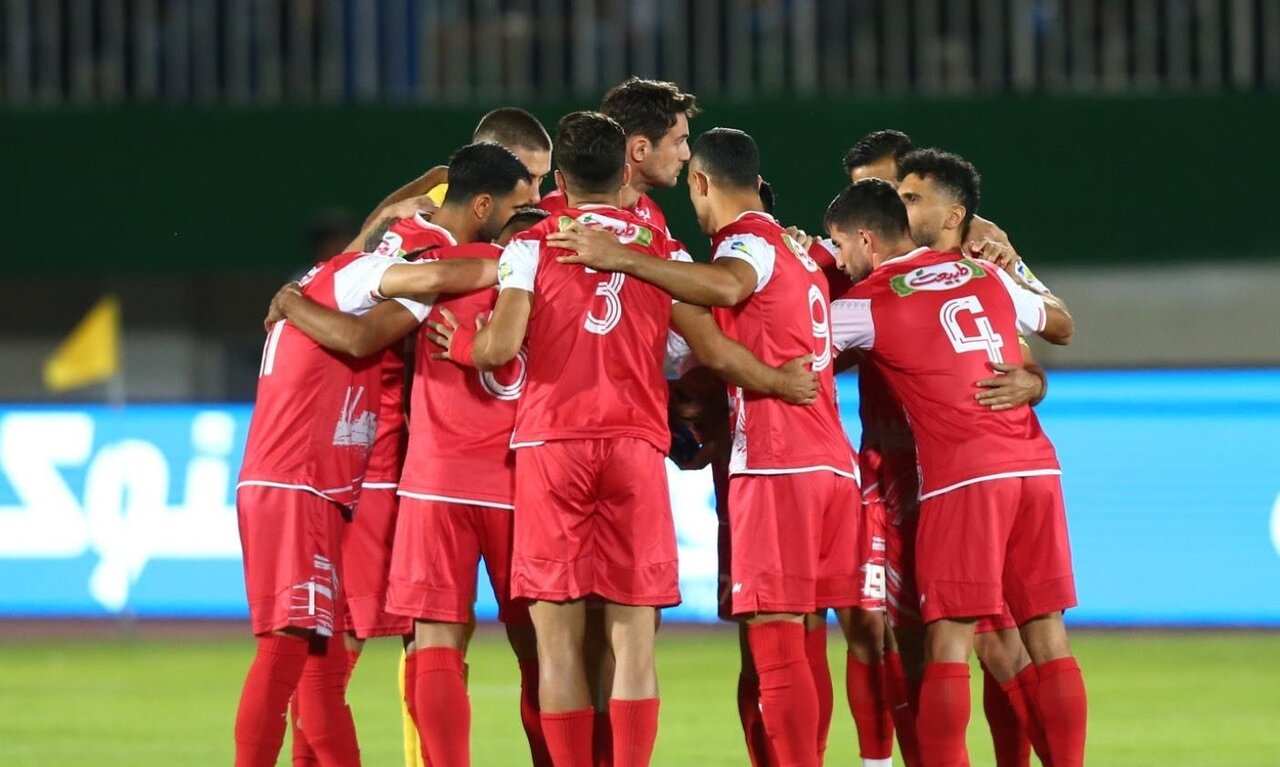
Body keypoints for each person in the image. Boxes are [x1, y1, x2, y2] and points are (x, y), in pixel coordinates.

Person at [550, 127, 861, 767]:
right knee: (805, 639)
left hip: (777, 462)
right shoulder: (798, 252)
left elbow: (726, 287)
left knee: (775, 647)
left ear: (700, 182)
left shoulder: (745, 240)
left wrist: (622, 257)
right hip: (829, 461)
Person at [253, 142, 535, 767]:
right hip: (383, 473)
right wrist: (517, 263)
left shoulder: (411, 243)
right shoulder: (430, 254)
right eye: (529, 187)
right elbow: (365, 320)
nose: (539, 201)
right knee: (342, 656)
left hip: (410, 473)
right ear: (482, 197)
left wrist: (301, 293)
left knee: (364, 653)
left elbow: (355, 264)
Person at [825, 179, 1086, 767]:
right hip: (1036, 466)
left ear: (865, 240)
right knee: (1048, 638)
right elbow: (1056, 322)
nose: (839, 260)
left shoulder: (866, 302)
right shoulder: (985, 272)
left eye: (840, 245)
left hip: (961, 478)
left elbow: (794, 346)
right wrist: (1035, 377)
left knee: (947, 643)